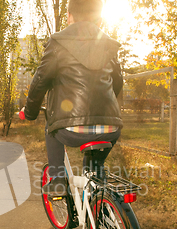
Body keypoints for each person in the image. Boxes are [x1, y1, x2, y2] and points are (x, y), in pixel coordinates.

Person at [20, 0, 124, 196]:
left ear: (69, 16)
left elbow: (41, 80)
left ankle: (58, 180)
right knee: (95, 170)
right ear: (99, 20)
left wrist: (30, 112)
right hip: (111, 128)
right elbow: (117, 82)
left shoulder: (58, 42)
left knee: (51, 126)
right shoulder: (108, 45)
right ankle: (98, 192)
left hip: (71, 129)